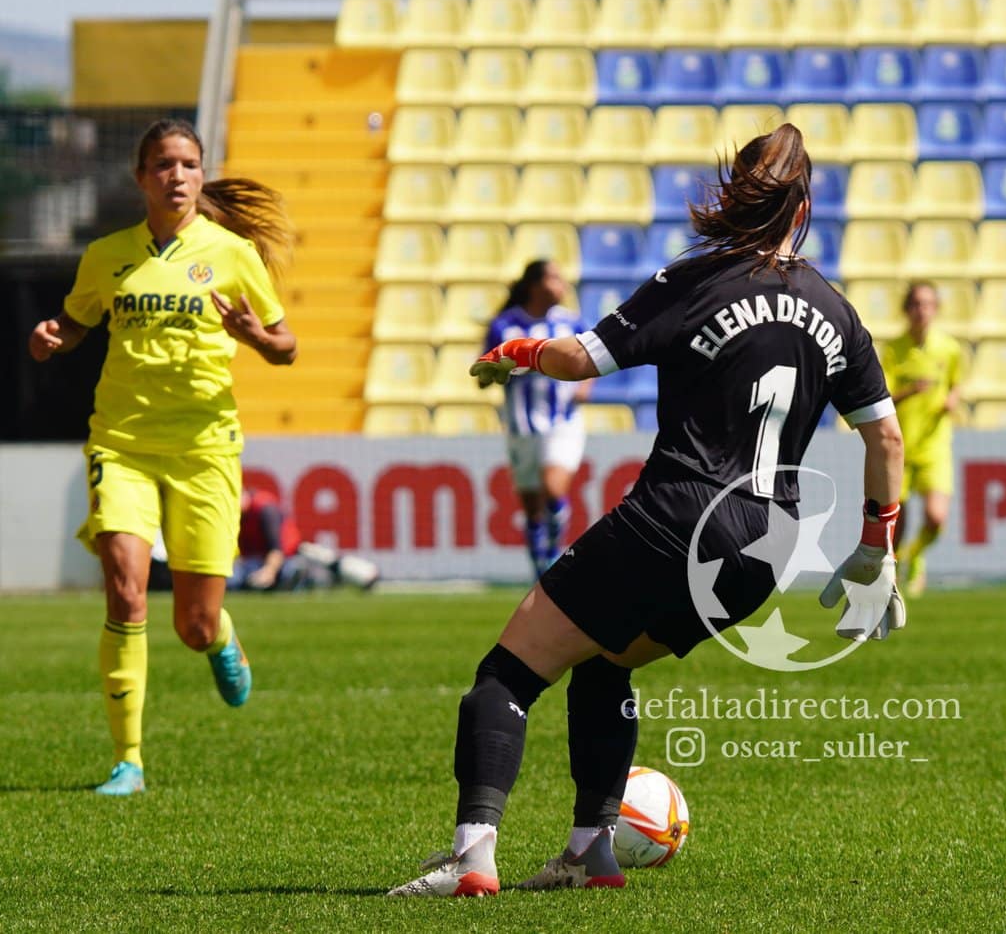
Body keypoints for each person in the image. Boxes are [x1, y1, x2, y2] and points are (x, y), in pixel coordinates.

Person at [389, 123, 906, 897]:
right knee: (606, 662)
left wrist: (515, 354)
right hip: (768, 548)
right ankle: (589, 853)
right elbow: (887, 438)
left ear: (735, 193)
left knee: (505, 673)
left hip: (676, 516)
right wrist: (876, 548)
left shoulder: (696, 280)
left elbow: (575, 358)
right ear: (806, 204)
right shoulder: (836, 310)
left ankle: (471, 860)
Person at [26, 118, 298, 795]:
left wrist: (256, 335)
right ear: (141, 177)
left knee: (192, 621)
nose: (177, 175)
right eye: (164, 164)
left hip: (204, 445)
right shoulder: (107, 255)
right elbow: (78, 320)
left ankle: (220, 636)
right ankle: (129, 760)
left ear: (201, 176)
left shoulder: (233, 253)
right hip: (121, 441)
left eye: (189, 164)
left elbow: (287, 344)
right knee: (125, 585)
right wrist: (52, 337)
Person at [481, 260, 590, 578]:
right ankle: (539, 571)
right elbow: (483, 376)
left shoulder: (571, 324)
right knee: (531, 507)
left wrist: (585, 386)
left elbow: (593, 359)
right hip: (521, 426)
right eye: (555, 278)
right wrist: (494, 371)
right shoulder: (505, 326)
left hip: (563, 420)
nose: (563, 284)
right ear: (535, 285)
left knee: (554, 490)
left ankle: (555, 559)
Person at [877, 280, 965, 598]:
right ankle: (894, 581)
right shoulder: (894, 350)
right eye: (915, 304)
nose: (921, 311)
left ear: (936, 309)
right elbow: (882, 397)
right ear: (906, 309)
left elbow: (956, 383)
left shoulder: (949, 349)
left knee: (936, 516)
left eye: (927, 304)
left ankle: (915, 556)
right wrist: (910, 391)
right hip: (900, 443)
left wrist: (953, 398)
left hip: (934, 443)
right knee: (895, 522)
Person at [233, 486, 379, 592]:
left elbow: (276, 550)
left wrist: (268, 573)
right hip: (261, 562)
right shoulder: (236, 516)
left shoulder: (265, 509)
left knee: (310, 565)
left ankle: (312, 579)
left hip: (288, 559)